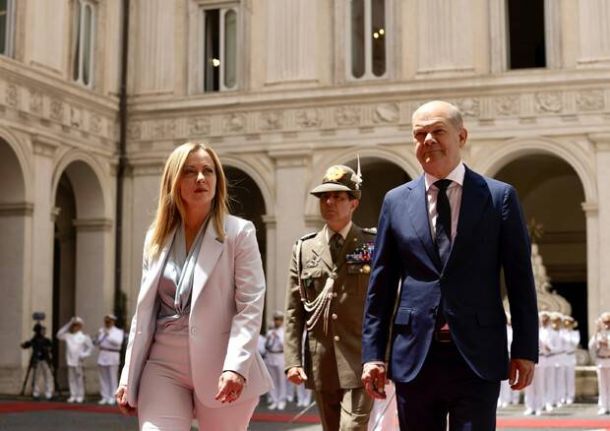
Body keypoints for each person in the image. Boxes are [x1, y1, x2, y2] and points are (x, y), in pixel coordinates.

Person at [361, 100, 539, 430]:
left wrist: (525, 349)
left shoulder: (498, 197)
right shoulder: (395, 201)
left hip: (476, 356)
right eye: (420, 134)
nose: (428, 140)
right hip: (414, 355)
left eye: (438, 131)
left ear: (462, 136)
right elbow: (380, 287)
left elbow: (521, 282)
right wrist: (373, 354)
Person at [115, 142, 272, 431]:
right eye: (189, 171)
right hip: (162, 366)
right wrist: (128, 376)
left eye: (208, 171)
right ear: (174, 181)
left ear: (217, 180)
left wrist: (236, 366)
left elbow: (250, 306)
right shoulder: (156, 237)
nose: (201, 178)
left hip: (222, 365)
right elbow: (144, 312)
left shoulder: (239, 232)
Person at [284, 164, 376, 430]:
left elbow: (385, 305)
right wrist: (293, 361)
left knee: (352, 427)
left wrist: (384, 356)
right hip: (321, 360)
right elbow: (294, 311)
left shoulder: (372, 243)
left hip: (361, 359)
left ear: (354, 203)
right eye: (324, 197)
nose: (329, 202)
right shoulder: (304, 249)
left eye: (337, 196)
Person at [57, 316, 94, 403]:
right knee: (71, 379)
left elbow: (91, 348)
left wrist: (84, 354)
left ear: (80, 326)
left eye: (76, 325)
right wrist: (69, 323)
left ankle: (80, 395)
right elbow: (59, 335)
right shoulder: (68, 336)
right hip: (70, 361)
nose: (74, 327)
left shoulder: (84, 337)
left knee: (79, 379)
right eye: (73, 325)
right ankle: (73, 395)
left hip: (78, 361)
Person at [94, 314, 124, 405]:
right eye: (106, 321)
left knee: (112, 377)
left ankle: (113, 397)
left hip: (113, 355)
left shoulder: (118, 331)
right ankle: (105, 396)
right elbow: (97, 342)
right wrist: (100, 334)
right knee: (103, 378)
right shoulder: (102, 331)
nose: (107, 322)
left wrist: (108, 335)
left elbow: (118, 342)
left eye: (109, 321)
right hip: (102, 355)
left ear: (113, 321)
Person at [21, 323, 54, 400]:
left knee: (47, 376)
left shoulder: (46, 340)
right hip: (37, 359)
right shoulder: (34, 340)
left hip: (45, 359)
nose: (44, 332)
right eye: (42, 330)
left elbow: (51, 347)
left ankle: (48, 393)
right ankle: (36, 392)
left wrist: (47, 349)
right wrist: (24, 345)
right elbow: (27, 344)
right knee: (36, 376)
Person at [264, 311, 287, 410]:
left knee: (281, 380)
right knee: (272, 380)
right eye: (276, 319)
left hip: (280, 356)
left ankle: (282, 400)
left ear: (282, 321)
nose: (277, 321)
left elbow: (285, 345)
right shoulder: (270, 332)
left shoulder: (284, 332)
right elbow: (266, 346)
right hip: (270, 356)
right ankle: (274, 400)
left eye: (279, 319)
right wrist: (270, 337)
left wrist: (278, 337)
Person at [589, 312, 610, 415]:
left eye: (608, 322)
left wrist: (606, 343)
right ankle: (604, 406)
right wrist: (596, 332)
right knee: (602, 385)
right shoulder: (599, 333)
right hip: (601, 360)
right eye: (604, 322)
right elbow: (591, 346)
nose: (606, 324)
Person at [562, 315, 580, 405]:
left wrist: (568, 333)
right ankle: (563, 396)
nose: (567, 325)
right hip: (562, 356)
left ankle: (570, 396)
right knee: (562, 378)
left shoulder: (575, 333)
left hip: (570, 356)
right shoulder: (561, 333)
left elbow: (575, 343)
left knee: (570, 378)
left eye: (569, 323)